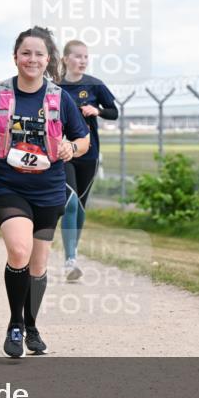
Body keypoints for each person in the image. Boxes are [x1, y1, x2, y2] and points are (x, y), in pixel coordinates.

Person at [0, 26, 90, 358]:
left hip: (48, 190)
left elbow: (82, 139)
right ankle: (15, 325)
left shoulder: (59, 97)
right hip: (6, 185)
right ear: (15, 57)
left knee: (38, 265)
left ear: (48, 59)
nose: (31, 59)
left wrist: (70, 148)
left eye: (38, 54)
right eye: (26, 53)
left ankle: (32, 325)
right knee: (18, 252)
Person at [55, 40, 118, 281]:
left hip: (89, 154)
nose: (82, 61)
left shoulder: (95, 85)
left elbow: (114, 112)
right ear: (65, 59)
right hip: (64, 153)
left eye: (86, 57)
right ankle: (70, 260)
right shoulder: (54, 87)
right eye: (78, 56)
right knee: (69, 202)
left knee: (80, 206)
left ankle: (73, 251)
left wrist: (97, 111)